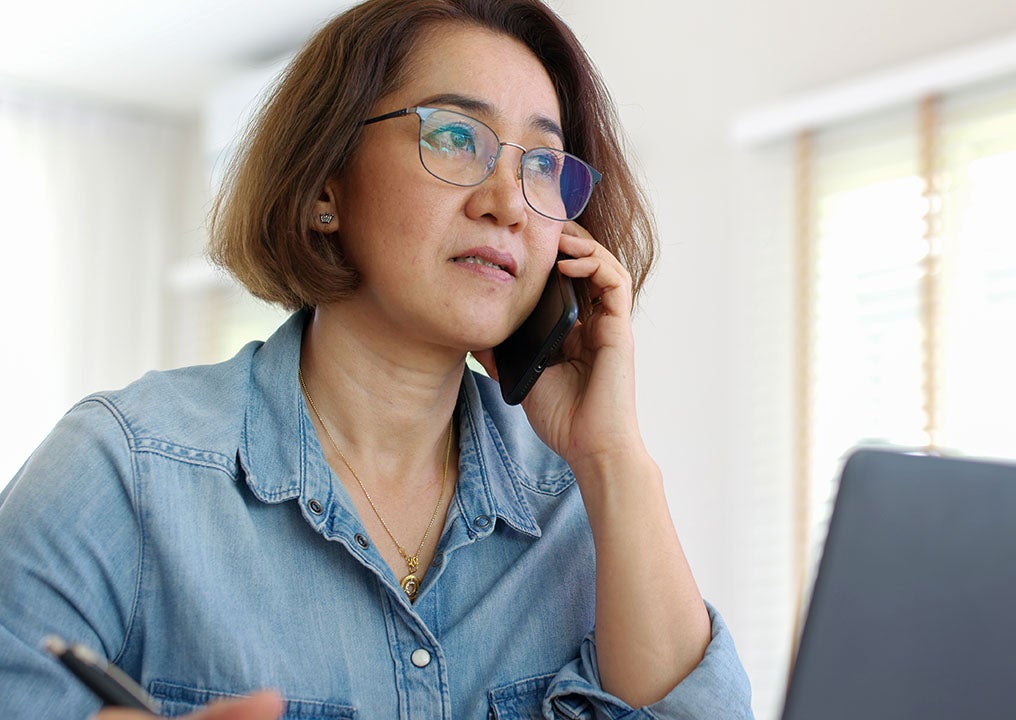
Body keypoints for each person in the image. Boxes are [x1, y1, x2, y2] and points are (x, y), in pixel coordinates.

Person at [0, 0, 754, 717]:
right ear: (327, 183)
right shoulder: (125, 466)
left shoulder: (575, 498)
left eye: (544, 164)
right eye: (456, 137)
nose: (510, 203)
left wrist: (613, 457)